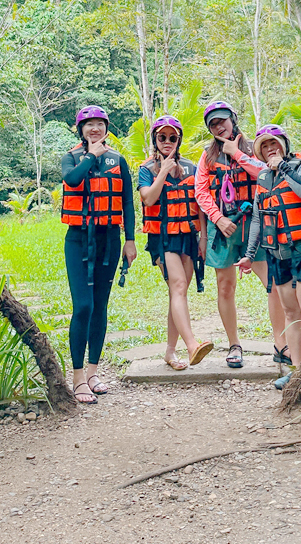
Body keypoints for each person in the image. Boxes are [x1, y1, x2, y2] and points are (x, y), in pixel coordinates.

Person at [194, 100, 288, 369]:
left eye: (222, 120)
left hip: (255, 225)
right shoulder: (207, 156)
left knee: (272, 283)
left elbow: (265, 172)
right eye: (213, 124)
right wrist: (218, 218)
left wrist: (236, 153)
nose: (219, 126)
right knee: (225, 286)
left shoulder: (252, 149)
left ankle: (281, 345)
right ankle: (234, 345)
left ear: (233, 119)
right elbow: (201, 191)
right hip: (223, 228)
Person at [239, 125, 301, 391]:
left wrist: (283, 168)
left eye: (273, 143)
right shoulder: (263, 178)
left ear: (284, 144)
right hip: (278, 253)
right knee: (291, 312)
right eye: (264, 146)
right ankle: (299, 373)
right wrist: (249, 255)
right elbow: (257, 217)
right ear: (260, 152)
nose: (270, 149)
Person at [61, 105, 137, 404]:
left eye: (100, 124)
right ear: (81, 129)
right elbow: (73, 181)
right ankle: (78, 376)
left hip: (109, 239)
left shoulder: (118, 160)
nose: (95, 129)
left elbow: (128, 203)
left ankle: (93, 372)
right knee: (82, 306)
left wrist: (130, 241)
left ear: (106, 128)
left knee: (100, 306)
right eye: (89, 124)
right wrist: (91, 154)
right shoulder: (72, 157)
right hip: (79, 238)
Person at [139, 115, 214, 371]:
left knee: (178, 292)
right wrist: (164, 171)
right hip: (163, 236)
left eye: (173, 137)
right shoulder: (146, 169)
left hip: (189, 235)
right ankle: (192, 345)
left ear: (179, 139)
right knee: (179, 286)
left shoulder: (192, 168)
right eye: (162, 137)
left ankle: (170, 353)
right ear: (155, 140)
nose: (168, 141)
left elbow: (201, 204)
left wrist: (203, 237)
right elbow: (148, 199)